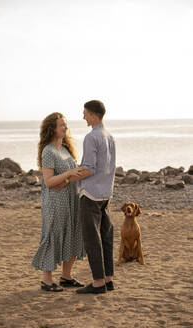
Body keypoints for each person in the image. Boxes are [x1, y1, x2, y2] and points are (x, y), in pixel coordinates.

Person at [31, 112, 85, 292]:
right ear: (52, 129)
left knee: (72, 234)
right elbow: (48, 182)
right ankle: (46, 281)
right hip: (55, 202)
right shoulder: (48, 151)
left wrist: (71, 177)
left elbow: (67, 178)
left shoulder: (66, 149)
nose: (65, 128)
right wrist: (68, 174)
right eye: (61, 125)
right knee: (53, 235)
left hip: (70, 198)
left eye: (65, 124)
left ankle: (66, 277)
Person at [75, 100, 116, 294]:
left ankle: (98, 283)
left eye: (85, 113)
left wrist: (71, 175)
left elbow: (89, 169)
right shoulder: (110, 136)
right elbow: (109, 168)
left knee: (92, 239)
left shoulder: (91, 137)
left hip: (91, 194)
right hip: (106, 194)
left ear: (93, 115)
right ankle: (108, 279)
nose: (83, 117)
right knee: (106, 237)